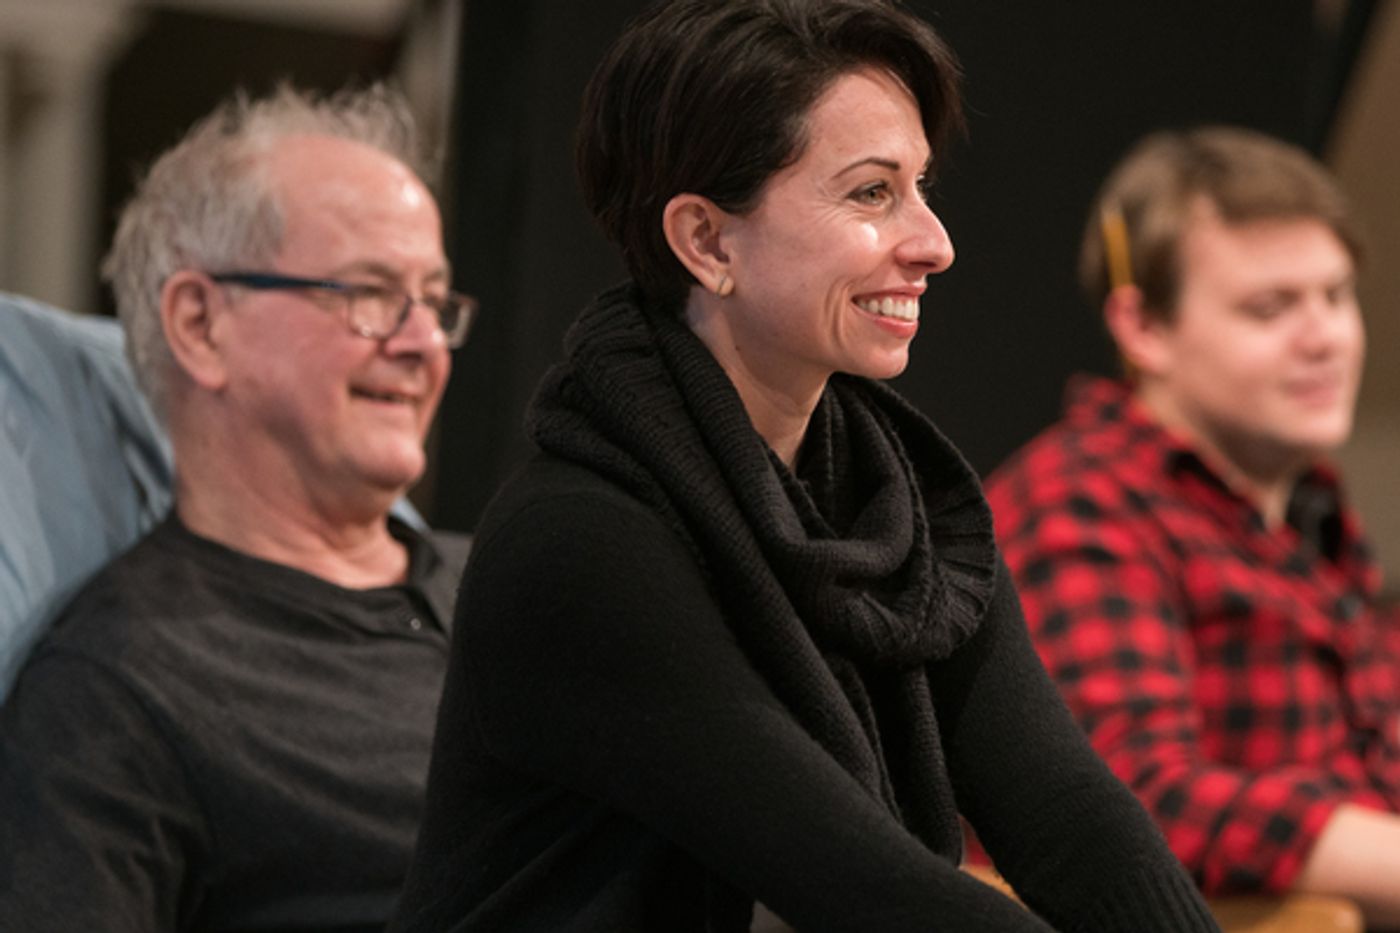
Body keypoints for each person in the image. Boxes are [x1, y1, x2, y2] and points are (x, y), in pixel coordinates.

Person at [392, 2, 1220, 931]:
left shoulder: (906, 500)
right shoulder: (579, 537)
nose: (934, 243)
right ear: (707, 241)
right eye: (872, 193)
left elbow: (1068, 814)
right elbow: (862, 887)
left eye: (921, 186)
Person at [0, 84, 476, 931]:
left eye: (435, 302)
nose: (421, 344)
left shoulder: (514, 578)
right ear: (200, 323)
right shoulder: (116, 694)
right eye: (369, 294)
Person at [985, 126, 1400, 928]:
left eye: (1336, 295)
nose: (1326, 338)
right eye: (1270, 307)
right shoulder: (1081, 500)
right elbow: (1133, 798)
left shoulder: (1309, 503)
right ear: (1143, 328)